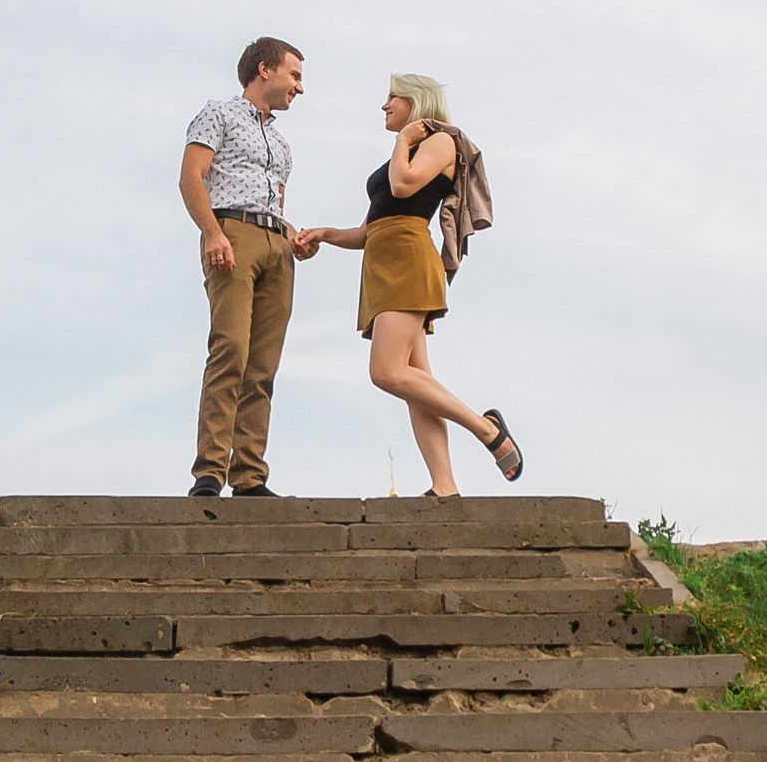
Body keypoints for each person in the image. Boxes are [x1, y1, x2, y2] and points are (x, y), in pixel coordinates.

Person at [294, 73, 521, 495]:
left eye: (392, 97)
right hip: (384, 262)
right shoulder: (405, 152)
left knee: (386, 372)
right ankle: (445, 484)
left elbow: (403, 186)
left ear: (416, 102)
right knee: (416, 380)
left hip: (409, 260)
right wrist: (324, 234)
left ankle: (487, 430)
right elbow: (368, 232)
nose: (384, 105)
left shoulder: (441, 142)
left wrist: (402, 141)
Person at [179, 37, 305, 498]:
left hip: (276, 245)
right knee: (230, 349)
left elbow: (276, 203)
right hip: (232, 234)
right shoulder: (219, 113)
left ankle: (250, 475)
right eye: (294, 75)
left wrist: (293, 236)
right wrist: (213, 233)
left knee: (263, 365)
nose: (299, 87)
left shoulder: (282, 144)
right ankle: (210, 471)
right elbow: (190, 178)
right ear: (264, 69)